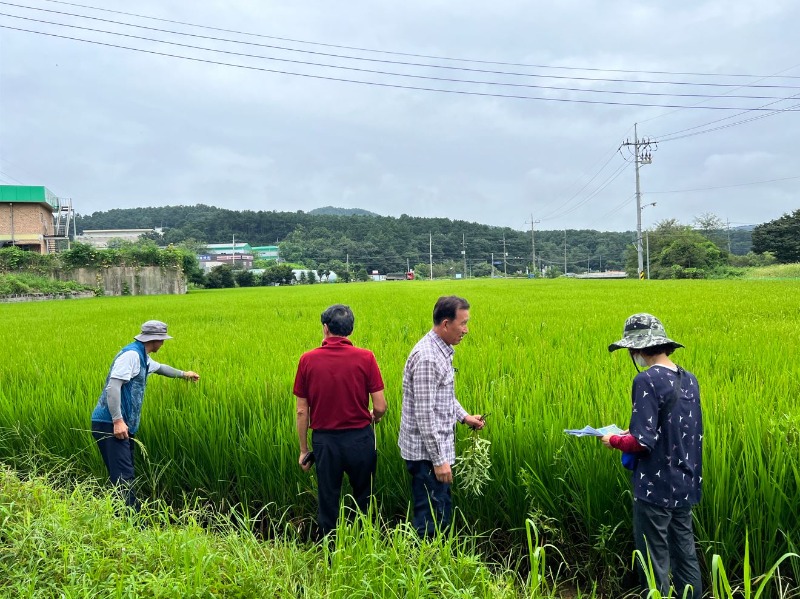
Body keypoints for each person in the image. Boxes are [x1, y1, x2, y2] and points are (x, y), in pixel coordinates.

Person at [601, 313, 703, 598]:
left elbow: (643, 443)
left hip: (655, 487)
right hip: (685, 482)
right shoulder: (689, 379)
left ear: (636, 349)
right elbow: (678, 429)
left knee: (653, 557)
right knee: (685, 554)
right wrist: (630, 431)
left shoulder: (646, 380)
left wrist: (614, 440)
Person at [293, 304, 387, 538]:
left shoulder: (307, 360)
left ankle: (329, 551)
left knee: (328, 498)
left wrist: (304, 450)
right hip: (360, 439)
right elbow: (380, 406)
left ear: (325, 328)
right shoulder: (366, 357)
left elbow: (302, 411)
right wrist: (375, 418)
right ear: (350, 330)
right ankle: (364, 544)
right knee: (364, 496)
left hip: (326, 442)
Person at [398, 295, 485, 538]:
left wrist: (464, 417)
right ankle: (427, 568)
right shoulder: (428, 357)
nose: (466, 330)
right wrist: (439, 461)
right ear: (446, 324)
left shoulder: (441, 350)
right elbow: (425, 415)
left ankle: (436, 562)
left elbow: (442, 396)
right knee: (431, 518)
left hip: (433, 452)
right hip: (427, 456)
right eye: (463, 323)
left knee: (440, 510)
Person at [90, 320, 200, 510]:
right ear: (154, 339)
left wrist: (184, 374)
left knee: (124, 472)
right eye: (162, 340)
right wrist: (117, 420)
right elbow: (113, 387)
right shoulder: (131, 355)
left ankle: (122, 516)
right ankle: (130, 522)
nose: (163, 343)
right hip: (110, 423)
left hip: (121, 424)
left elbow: (161, 368)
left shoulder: (142, 356)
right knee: (123, 476)